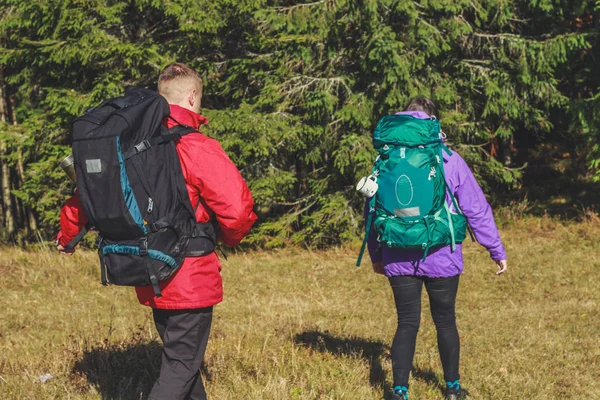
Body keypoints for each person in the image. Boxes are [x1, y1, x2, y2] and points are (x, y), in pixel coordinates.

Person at [56, 63, 258, 400]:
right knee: (180, 367)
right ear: (193, 96)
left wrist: (66, 237)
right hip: (190, 271)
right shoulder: (194, 144)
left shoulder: (132, 145)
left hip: (148, 267)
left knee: (183, 365)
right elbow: (236, 208)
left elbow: (88, 194)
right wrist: (229, 238)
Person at [365, 97, 508, 400]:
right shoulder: (447, 158)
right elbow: (475, 207)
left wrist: (377, 256)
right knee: (445, 320)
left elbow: (372, 211)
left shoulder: (385, 158)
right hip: (442, 253)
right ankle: (453, 389)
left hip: (397, 252)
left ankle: (400, 391)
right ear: (431, 121)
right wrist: (495, 249)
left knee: (406, 322)